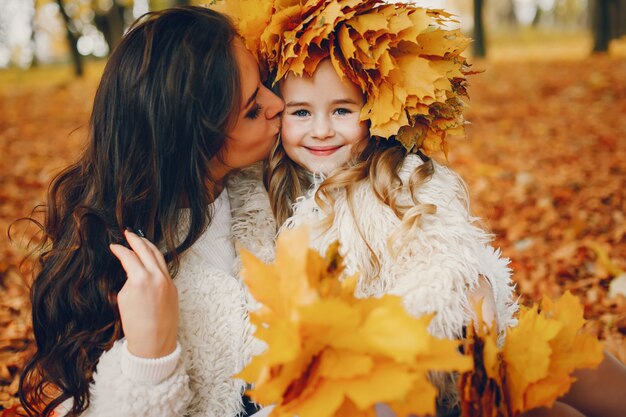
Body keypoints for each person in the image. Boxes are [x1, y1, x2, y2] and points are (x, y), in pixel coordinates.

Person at [222, 1, 626, 416]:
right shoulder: (264, 193)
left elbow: (444, 267)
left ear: (375, 112)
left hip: (445, 349)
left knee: (574, 357)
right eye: (301, 112)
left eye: (342, 110)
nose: (321, 130)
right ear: (277, 112)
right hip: (370, 386)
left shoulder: (401, 178)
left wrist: (443, 323)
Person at [18, 6, 283, 417]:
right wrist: (149, 360)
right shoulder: (108, 269)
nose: (277, 103)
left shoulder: (282, 189)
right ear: (193, 142)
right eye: (251, 110)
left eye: (264, 83)